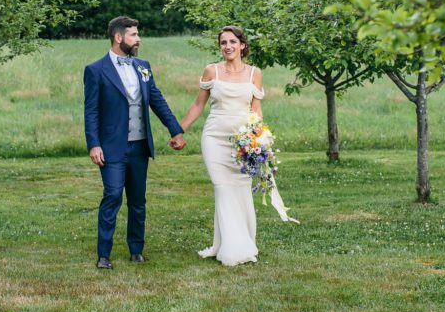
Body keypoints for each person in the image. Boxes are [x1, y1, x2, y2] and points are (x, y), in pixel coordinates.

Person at [179, 26, 295, 267]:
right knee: (222, 188)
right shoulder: (212, 71)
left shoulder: (255, 73)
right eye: (223, 42)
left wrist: (259, 137)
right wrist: (179, 130)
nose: (228, 46)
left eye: (233, 41)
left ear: (242, 45)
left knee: (241, 190)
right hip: (215, 138)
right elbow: (199, 105)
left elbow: (256, 109)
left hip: (244, 143)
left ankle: (239, 243)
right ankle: (231, 250)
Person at [83, 16, 185, 270]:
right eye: (133, 35)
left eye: (138, 35)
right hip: (111, 147)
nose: (138, 39)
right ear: (119, 37)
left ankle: (136, 250)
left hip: (140, 146)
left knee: (138, 200)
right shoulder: (96, 70)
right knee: (113, 195)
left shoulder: (143, 66)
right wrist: (93, 144)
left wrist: (176, 130)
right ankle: (104, 255)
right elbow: (91, 111)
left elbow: (157, 100)